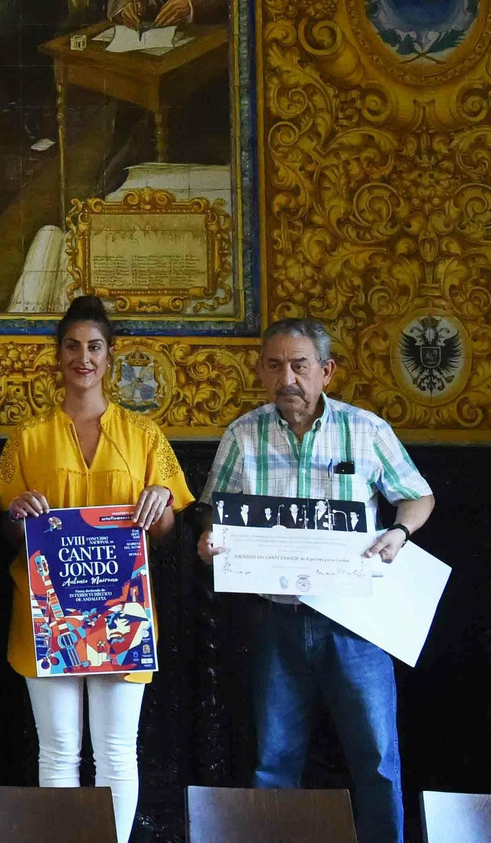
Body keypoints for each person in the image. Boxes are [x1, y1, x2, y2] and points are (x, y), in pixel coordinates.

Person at [197, 319, 435, 843]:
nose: (288, 377)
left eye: (300, 365)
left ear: (325, 372)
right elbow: (213, 514)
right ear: (261, 371)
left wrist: (398, 531)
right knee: (272, 761)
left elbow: (418, 496)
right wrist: (210, 539)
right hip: (274, 620)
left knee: (376, 759)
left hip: (355, 622)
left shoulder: (365, 431)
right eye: (276, 365)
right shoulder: (243, 433)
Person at [0, 296, 192, 843]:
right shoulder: (28, 437)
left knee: (115, 751)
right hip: (47, 614)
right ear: (57, 356)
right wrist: (19, 514)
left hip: (120, 612)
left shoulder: (144, 435)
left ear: (110, 356)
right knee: (58, 751)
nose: (84, 357)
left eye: (95, 347)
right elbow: (8, 528)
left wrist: (159, 503)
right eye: (73, 346)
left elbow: (168, 528)